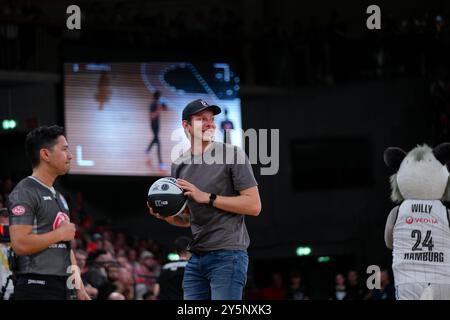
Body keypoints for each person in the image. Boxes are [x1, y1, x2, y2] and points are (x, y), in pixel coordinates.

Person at [147, 98, 261, 300]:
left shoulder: (233, 154)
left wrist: (207, 197)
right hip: (196, 257)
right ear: (186, 125)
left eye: (211, 119)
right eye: (201, 119)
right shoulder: (179, 164)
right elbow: (190, 218)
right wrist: (166, 216)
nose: (210, 124)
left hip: (228, 255)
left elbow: (253, 205)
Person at [7, 125, 90, 300]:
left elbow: (66, 249)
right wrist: (59, 233)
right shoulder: (25, 191)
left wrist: (79, 289)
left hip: (62, 287)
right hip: (36, 287)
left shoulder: (58, 196)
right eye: (65, 149)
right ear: (45, 154)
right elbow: (20, 244)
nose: (70, 156)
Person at [145, 90, 168, 171]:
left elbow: (166, 109)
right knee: (158, 143)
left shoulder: (157, 103)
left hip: (156, 125)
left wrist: (162, 106)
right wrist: (158, 108)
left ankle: (147, 150)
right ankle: (160, 163)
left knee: (155, 139)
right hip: (154, 125)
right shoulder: (153, 104)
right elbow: (153, 116)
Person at [0, 208, 14, 300]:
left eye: (7, 228)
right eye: (1, 228)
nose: (4, 232)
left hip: (15, 290)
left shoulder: (21, 247)